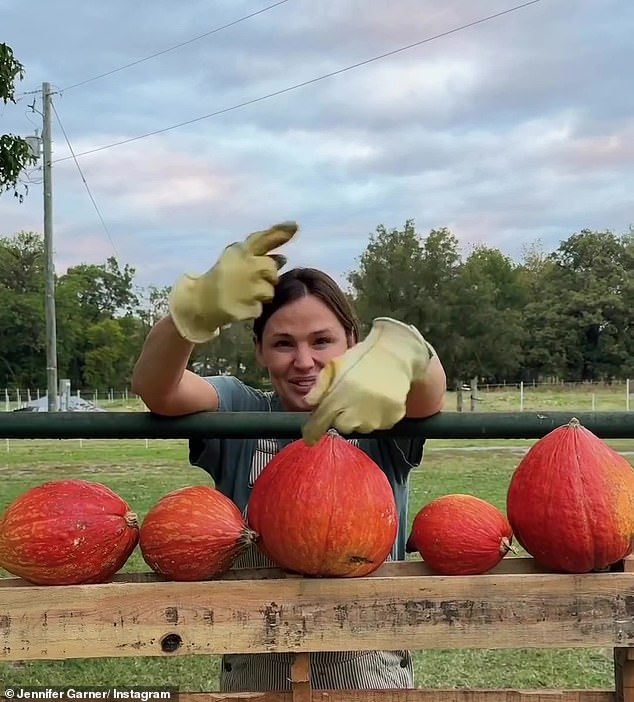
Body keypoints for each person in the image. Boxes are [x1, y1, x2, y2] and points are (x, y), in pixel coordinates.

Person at [131, 221, 447, 692]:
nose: (303, 362)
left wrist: (408, 356)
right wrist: (191, 313)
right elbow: (159, 390)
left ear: (352, 341)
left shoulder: (381, 414)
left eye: (322, 341)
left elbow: (429, 396)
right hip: (258, 659)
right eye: (283, 343)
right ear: (259, 349)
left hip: (367, 662)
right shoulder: (240, 409)